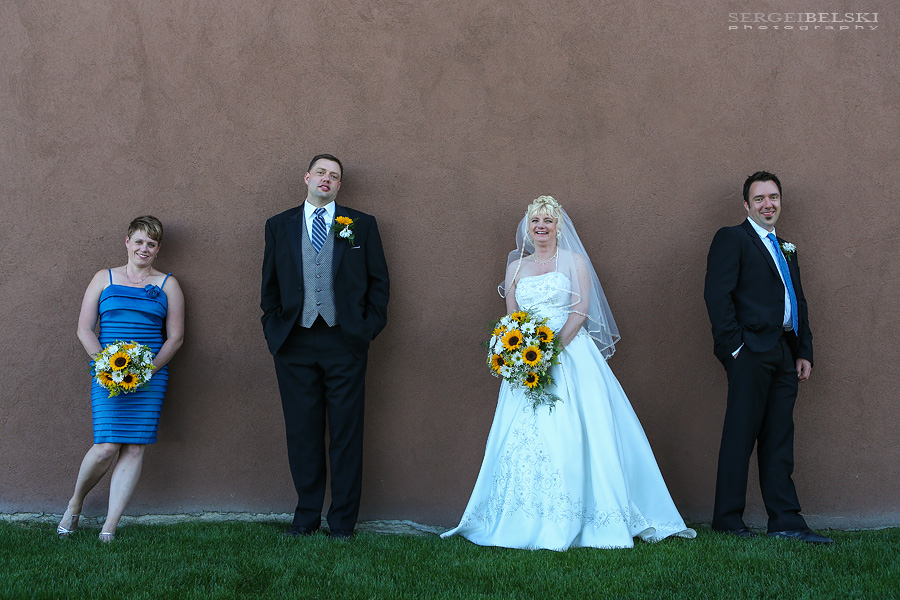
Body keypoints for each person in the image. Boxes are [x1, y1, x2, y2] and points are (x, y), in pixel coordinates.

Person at [442, 196, 695, 550]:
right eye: (535, 221)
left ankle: (588, 515)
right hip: (527, 361)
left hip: (570, 353)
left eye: (548, 220)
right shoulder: (515, 265)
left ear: (559, 226)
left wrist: (550, 350)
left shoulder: (575, 261)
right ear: (528, 228)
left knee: (577, 430)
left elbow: (580, 311)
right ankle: (523, 517)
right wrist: (521, 353)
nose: (541, 226)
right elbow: (512, 313)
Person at [261, 153, 390, 539]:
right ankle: (305, 517)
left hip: (344, 341)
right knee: (302, 432)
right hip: (294, 342)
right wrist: (274, 328)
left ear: (339, 185)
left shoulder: (361, 225)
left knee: (347, 433)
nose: (327, 179)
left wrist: (366, 329)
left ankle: (342, 523)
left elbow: (379, 283)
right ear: (306, 177)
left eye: (334, 176)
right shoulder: (278, 225)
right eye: (321, 172)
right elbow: (269, 286)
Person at [703, 171, 832, 544]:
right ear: (747, 205)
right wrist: (736, 348)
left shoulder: (786, 247)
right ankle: (728, 521)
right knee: (740, 437)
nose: (767, 204)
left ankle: (786, 522)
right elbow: (717, 295)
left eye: (773, 197)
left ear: (780, 201)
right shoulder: (733, 239)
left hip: (783, 353)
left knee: (779, 439)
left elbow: (797, 301)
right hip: (749, 352)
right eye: (759, 199)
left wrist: (803, 350)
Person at [56, 216, 185, 542]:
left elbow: (175, 338)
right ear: (127, 241)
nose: (145, 248)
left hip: (150, 377)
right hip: (106, 374)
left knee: (135, 449)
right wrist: (107, 366)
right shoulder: (104, 278)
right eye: (139, 241)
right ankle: (75, 504)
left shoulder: (168, 284)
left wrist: (147, 370)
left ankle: (109, 528)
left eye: (152, 244)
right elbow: (84, 329)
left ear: (158, 249)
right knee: (106, 447)